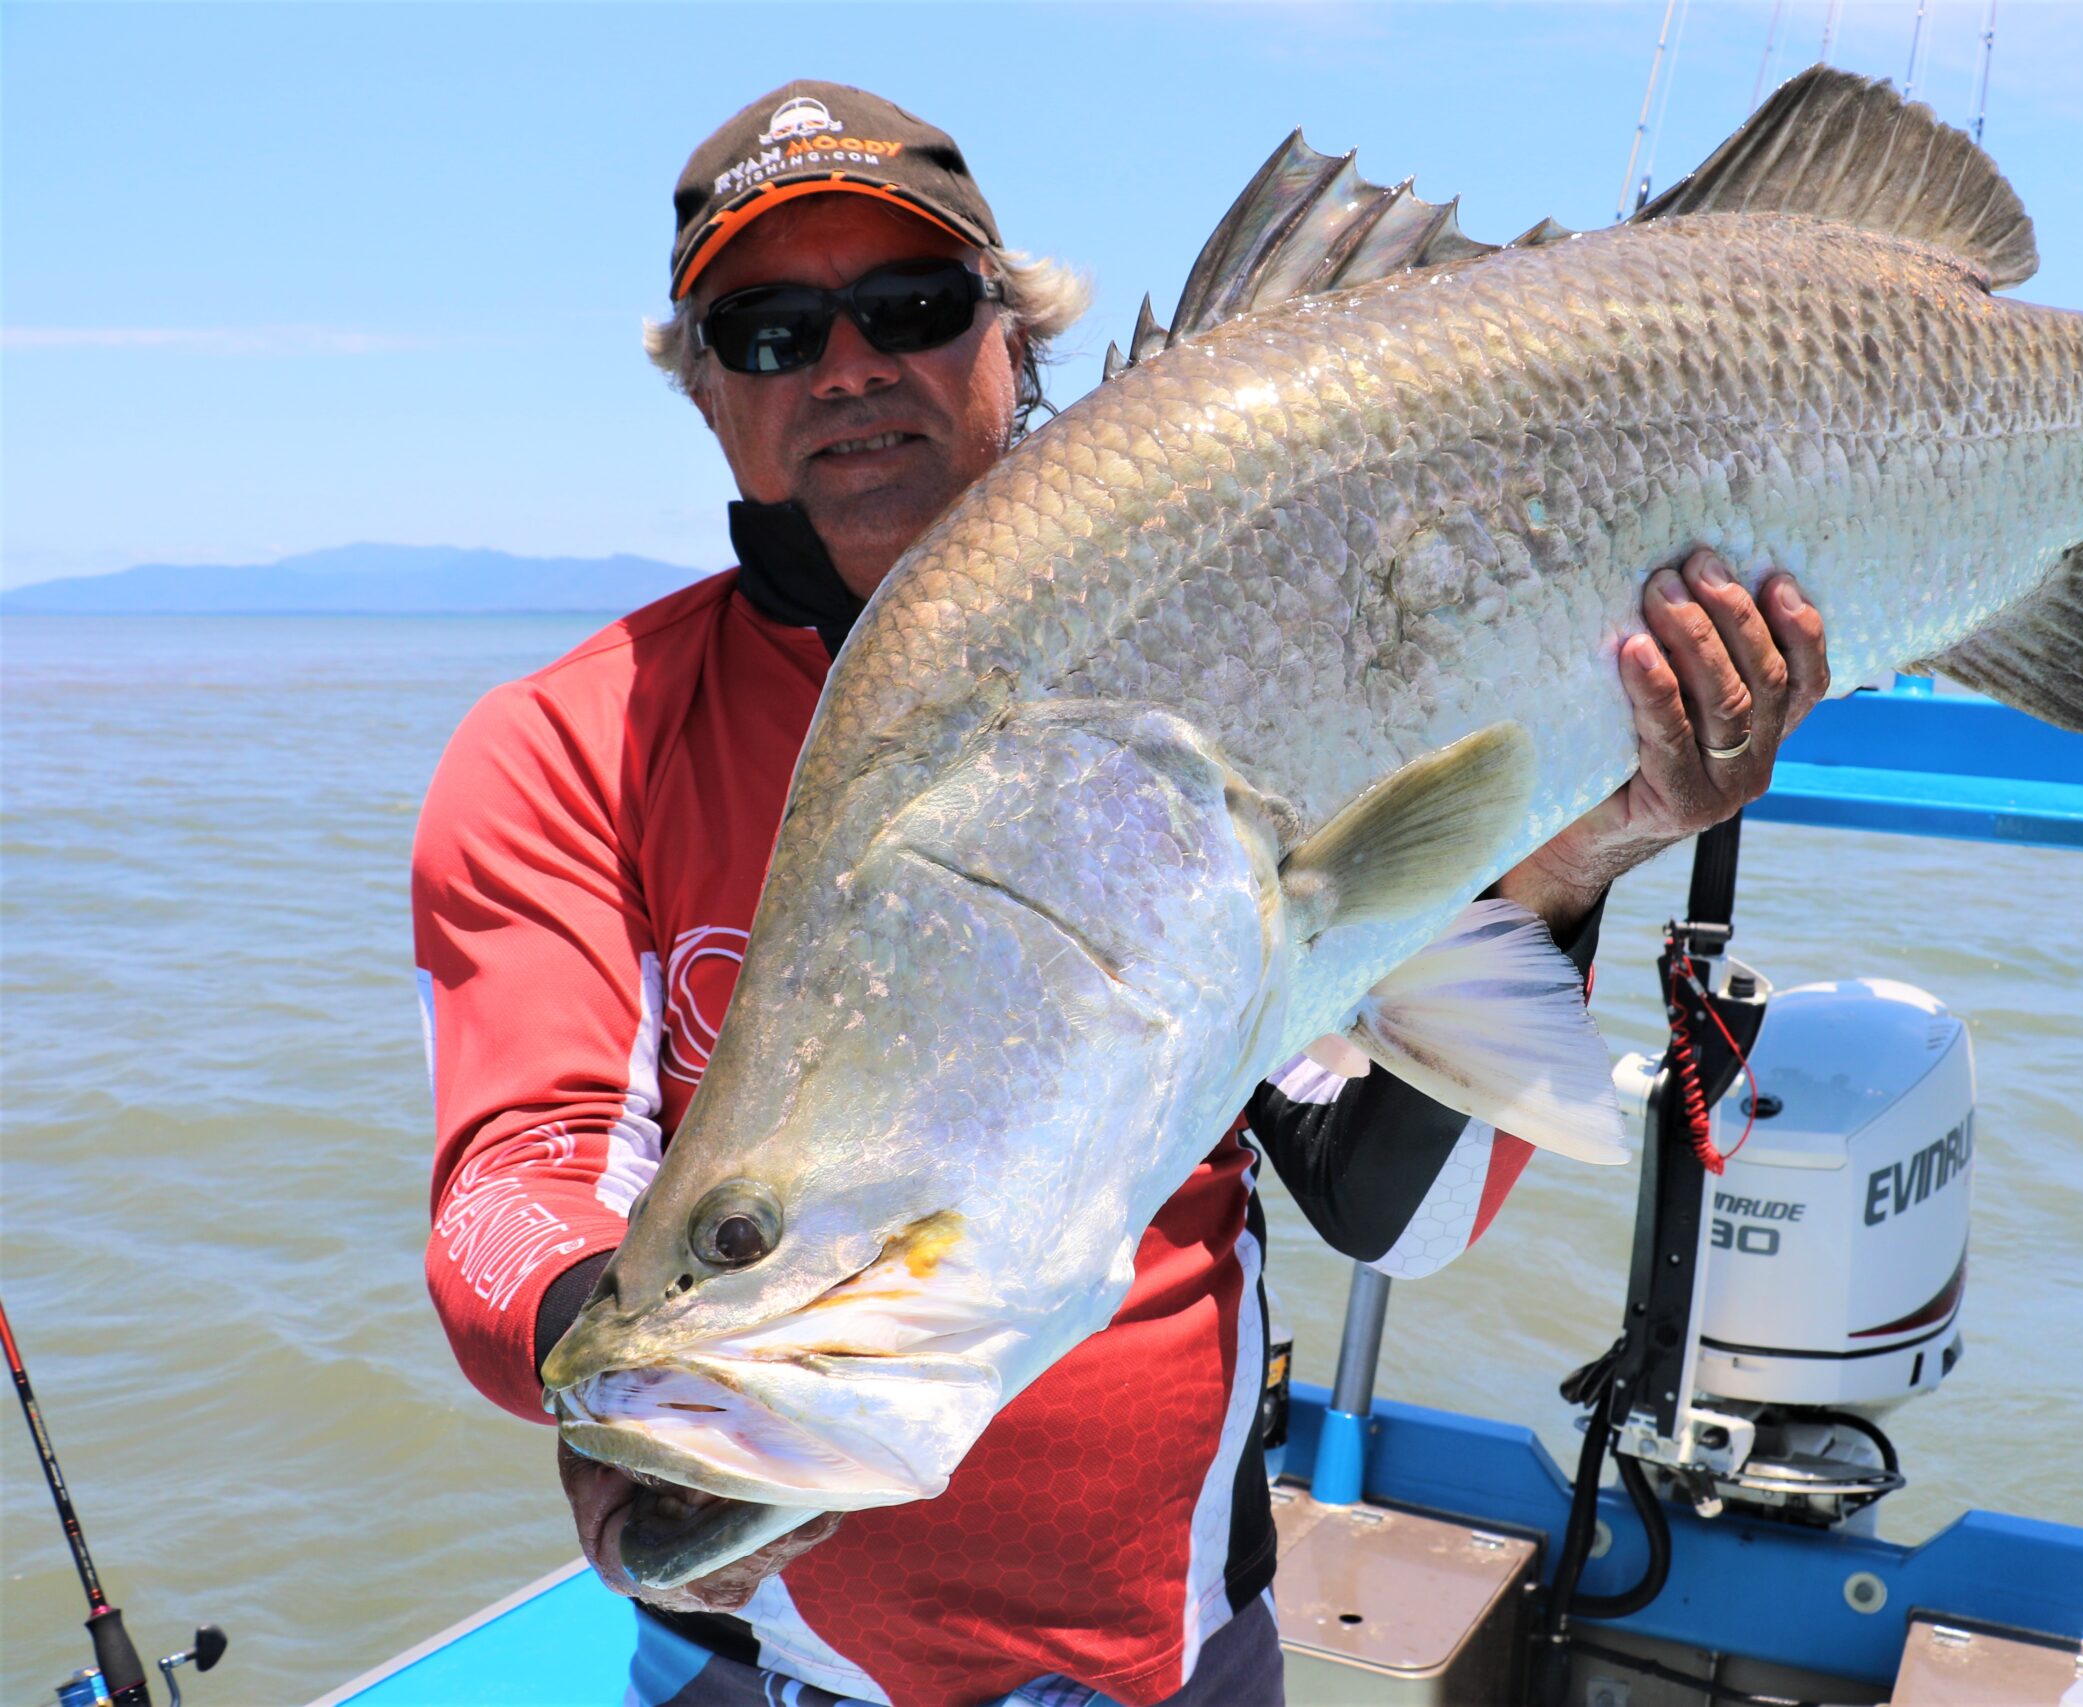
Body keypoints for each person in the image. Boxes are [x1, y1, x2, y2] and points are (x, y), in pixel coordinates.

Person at [412, 81, 1831, 1707]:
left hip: (1177, 1657)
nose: (852, 367)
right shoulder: (569, 744)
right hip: (763, 1672)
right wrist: (614, 1362)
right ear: (705, 395)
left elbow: (1395, 1210)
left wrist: (1590, 846)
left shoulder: (1250, 635)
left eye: (916, 307)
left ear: (1014, 342)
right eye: (771, 333)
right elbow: (517, 1176)